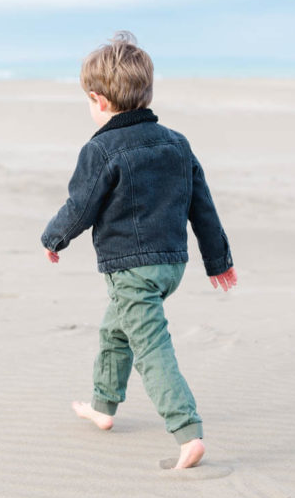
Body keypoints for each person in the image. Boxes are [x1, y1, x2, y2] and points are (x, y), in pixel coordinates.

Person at [41, 31, 237, 469]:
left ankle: (187, 433)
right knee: (116, 331)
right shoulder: (176, 142)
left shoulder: (100, 149)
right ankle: (103, 406)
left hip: (131, 268)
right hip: (172, 264)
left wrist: (54, 238)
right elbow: (201, 203)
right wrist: (218, 260)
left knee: (150, 346)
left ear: (99, 99)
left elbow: (81, 206)